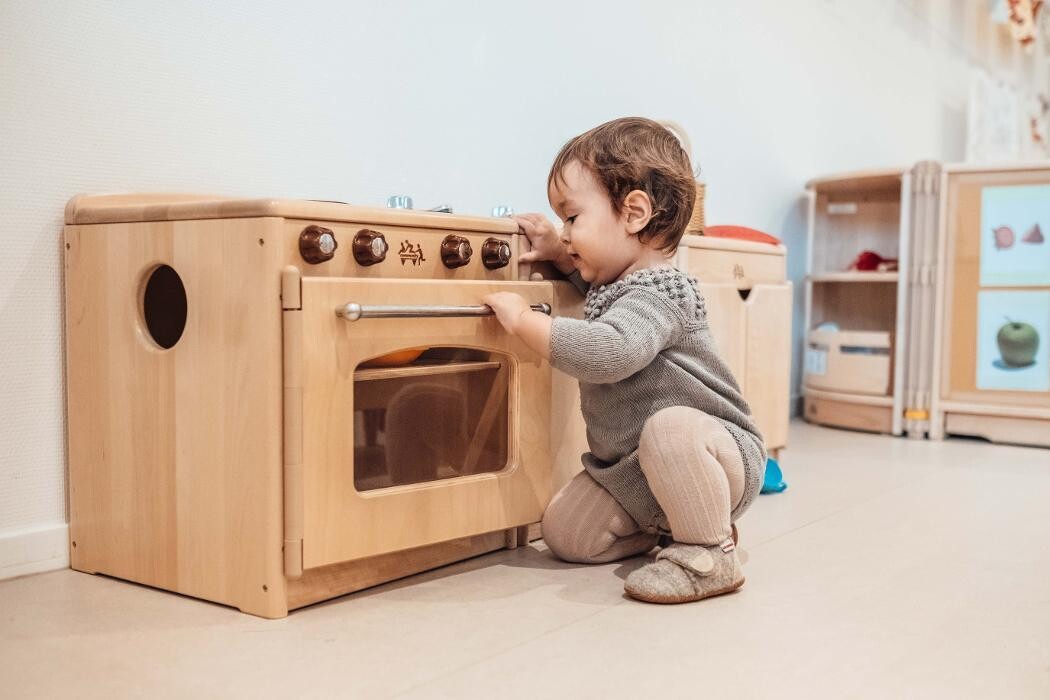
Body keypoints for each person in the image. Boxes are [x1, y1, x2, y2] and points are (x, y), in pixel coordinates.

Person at [483, 117, 766, 604]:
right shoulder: (614, 285)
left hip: (713, 456)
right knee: (565, 533)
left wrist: (525, 322)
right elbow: (595, 295)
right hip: (636, 473)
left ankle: (708, 551)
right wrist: (560, 251)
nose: (564, 232)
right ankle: (676, 529)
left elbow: (610, 350)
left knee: (670, 426)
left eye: (572, 218)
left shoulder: (665, 290)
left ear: (634, 213)